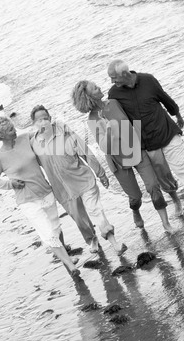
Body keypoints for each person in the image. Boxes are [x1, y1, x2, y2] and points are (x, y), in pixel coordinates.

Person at [107, 60, 184, 219]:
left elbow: (165, 98)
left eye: (114, 77)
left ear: (124, 74)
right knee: (164, 176)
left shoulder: (148, 80)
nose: (112, 82)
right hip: (148, 142)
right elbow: (117, 117)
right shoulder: (114, 93)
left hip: (167, 132)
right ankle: (176, 201)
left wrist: (177, 114)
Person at [72, 80, 180, 233]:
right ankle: (135, 210)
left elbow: (133, 120)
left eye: (97, 85)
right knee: (135, 197)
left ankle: (166, 224)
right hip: (118, 160)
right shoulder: (92, 120)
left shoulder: (114, 103)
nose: (99, 88)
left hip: (136, 150)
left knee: (153, 186)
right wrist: (108, 128)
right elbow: (104, 147)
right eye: (95, 88)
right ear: (89, 98)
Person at [0, 116, 80, 278]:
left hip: (45, 192)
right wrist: (10, 184)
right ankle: (71, 265)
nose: (15, 130)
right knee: (48, 234)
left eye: (13, 127)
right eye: (10, 130)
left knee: (56, 228)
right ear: (1, 136)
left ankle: (63, 253)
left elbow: (42, 133)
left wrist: (53, 123)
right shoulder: (0, 157)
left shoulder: (25, 138)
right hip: (27, 201)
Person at [30, 105, 127, 256]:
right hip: (63, 190)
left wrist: (100, 173)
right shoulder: (34, 144)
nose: (42, 122)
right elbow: (32, 167)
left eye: (45, 118)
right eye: (38, 120)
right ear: (34, 124)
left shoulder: (66, 133)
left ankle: (115, 243)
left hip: (83, 180)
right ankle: (92, 238)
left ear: (50, 119)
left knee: (96, 211)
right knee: (80, 219)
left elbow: (86, 152)